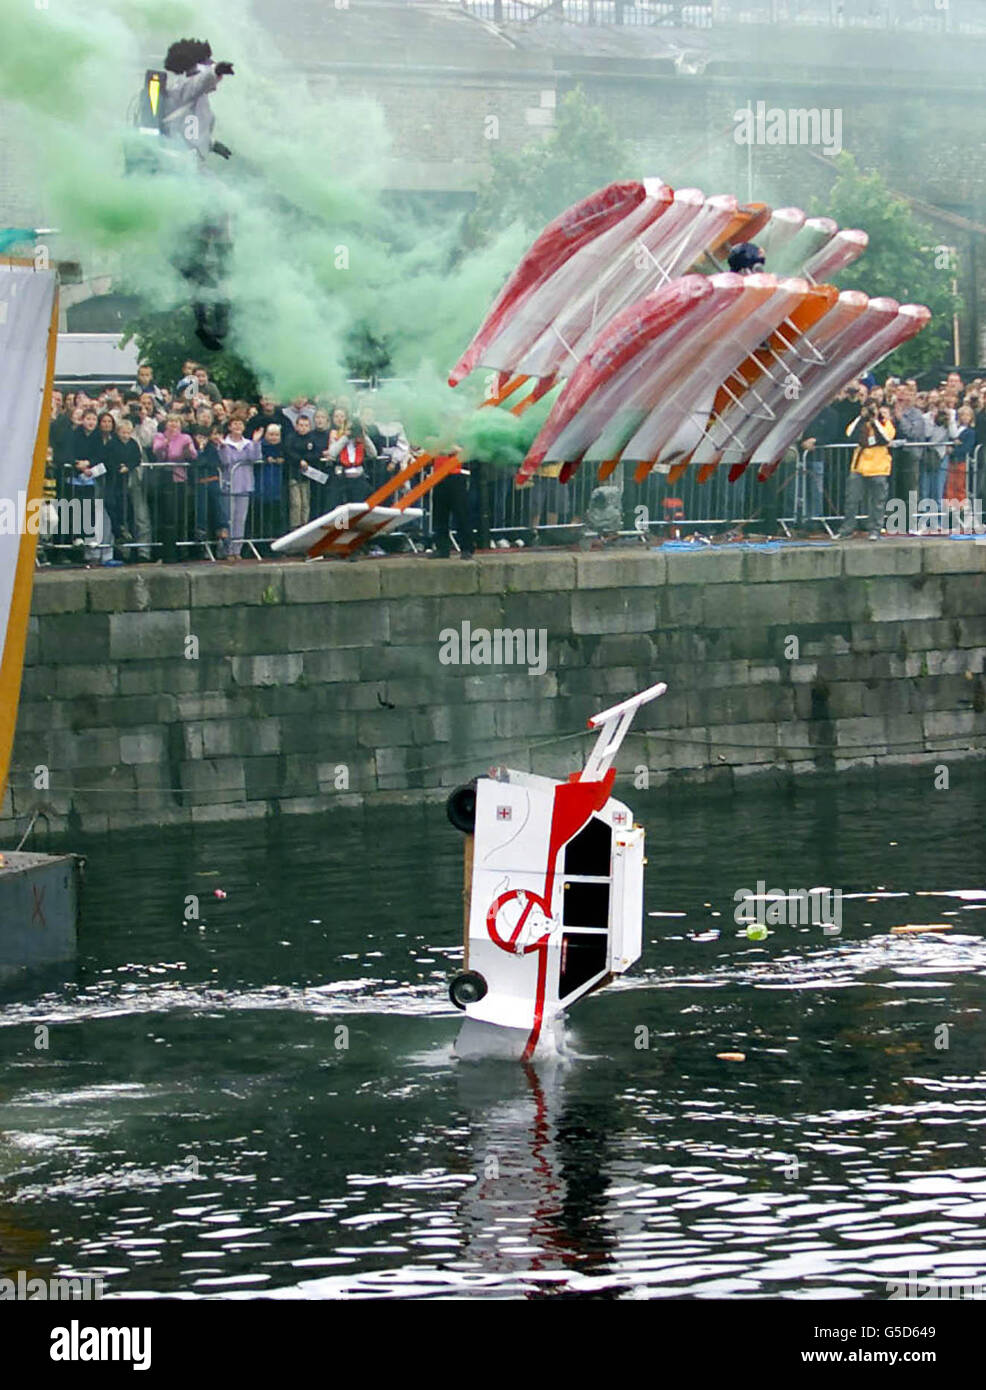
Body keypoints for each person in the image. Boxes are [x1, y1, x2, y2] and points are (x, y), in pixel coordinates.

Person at [836, 403, 896, 540]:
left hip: (879, 467)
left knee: (877, 501)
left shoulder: (886, 424)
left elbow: (886, 438)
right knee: (851, 499)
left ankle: (875, 529)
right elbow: (849, 434)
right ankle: (847, 530)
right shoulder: (861, 424)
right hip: (859, 467)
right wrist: (860, 417)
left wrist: (875, 420)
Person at [151, 414, 198, 562]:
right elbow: (157, 452)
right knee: (166, 517)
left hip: (180, 479)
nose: (173, 424)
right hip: (164, 479)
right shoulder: (159, 436)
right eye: (171, 421)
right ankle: (166, 552)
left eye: (176, 421)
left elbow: (193, 455)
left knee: (180, 515)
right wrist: (167, 441)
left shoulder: (185, 438)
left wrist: (187, 451)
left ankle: (180, 550)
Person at [218, 417, 260, 557]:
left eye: (240, 423)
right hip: (229, 485)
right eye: (234, 423)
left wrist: (255, 441)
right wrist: (223, 447)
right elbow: (226, 461)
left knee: (240, 519)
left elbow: (254, 457)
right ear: (229, 427)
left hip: (244, 484)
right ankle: (227, 549)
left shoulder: (248, 443)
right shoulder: (224, 443)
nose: (237, 426)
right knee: (228, 519)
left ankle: (237, 550)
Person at [430, 444, 474, 558]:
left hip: (456, 475)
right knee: (439, 514)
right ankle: (442, 548)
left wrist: (450, 448)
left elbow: (466, 451)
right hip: (438, 475)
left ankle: (467, 548)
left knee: (461, 513)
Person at [284, 413, 321, 530]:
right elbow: (288, 451)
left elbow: (316, 453)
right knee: (296, 503)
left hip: (307, 475)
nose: (303, 428)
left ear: (310, 427)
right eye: (301, 425)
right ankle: (295, 526)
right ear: (296, 426)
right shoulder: (291, 438)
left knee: (305, 502)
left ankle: (305, 525)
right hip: (293, 474)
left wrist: (306, 460)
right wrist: (299, 460)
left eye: (306, 425)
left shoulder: (312, 439)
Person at [326, 420, 377, 506]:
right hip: (342, 477)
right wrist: (345, 437)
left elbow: (373, 454)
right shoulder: (340, 439)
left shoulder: (362, 440)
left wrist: (364, 436)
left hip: (358, 477)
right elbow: (332, 453)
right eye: (349, 428)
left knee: (359, 505)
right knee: (340, 506)